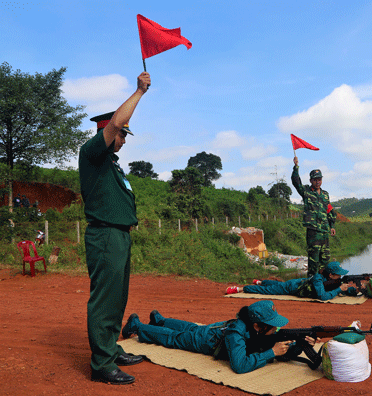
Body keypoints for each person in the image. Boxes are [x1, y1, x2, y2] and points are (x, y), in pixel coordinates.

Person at [78, 71, 151, 385]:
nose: (123, 140)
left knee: (117, 297)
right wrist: (139, 92)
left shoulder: (112, 164)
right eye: (122, 134)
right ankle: (101, 365)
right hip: (105, 234)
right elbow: (116, 124)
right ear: (106, 132)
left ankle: (110, 348)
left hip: (119, 235)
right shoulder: (93, 154)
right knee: (104, 299)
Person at [121, 300, 318, 374]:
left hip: (215, 329)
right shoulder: (236, 333)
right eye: (272, 325)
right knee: (176, 337)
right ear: (258, 325)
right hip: (207, 340)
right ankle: (137, 326)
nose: (276, 329)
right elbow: (239, 365)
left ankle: (160, 320)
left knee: (189, 327)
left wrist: (300, 345)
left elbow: (275, 347)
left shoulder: (256, 328)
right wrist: (271, 353)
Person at [291, 156, 336, 277]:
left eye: (319, 179)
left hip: (324, 231)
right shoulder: (306, 191)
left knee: (325, 258)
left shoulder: (325, 195)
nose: (318, 182)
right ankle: (311, 284)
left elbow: (329, 210)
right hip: (313, 232)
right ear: (311, 180)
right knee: (313, 260)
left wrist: (332, 225)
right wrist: (296, 167)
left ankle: (323, 282)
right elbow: (296, 182)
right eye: (315, 179)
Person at [226, 261, 358, 301]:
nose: (340, 277)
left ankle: (260, 281)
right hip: (293, 287)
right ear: (331, 274)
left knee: (278, 284)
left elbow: (341, 289)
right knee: (269, 291)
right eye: (338, 275)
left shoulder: (332, 281)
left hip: (298, 283)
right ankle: (240, 288)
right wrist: (339, 289)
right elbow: (322, 296)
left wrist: (354, 289)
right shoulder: (318, 278)